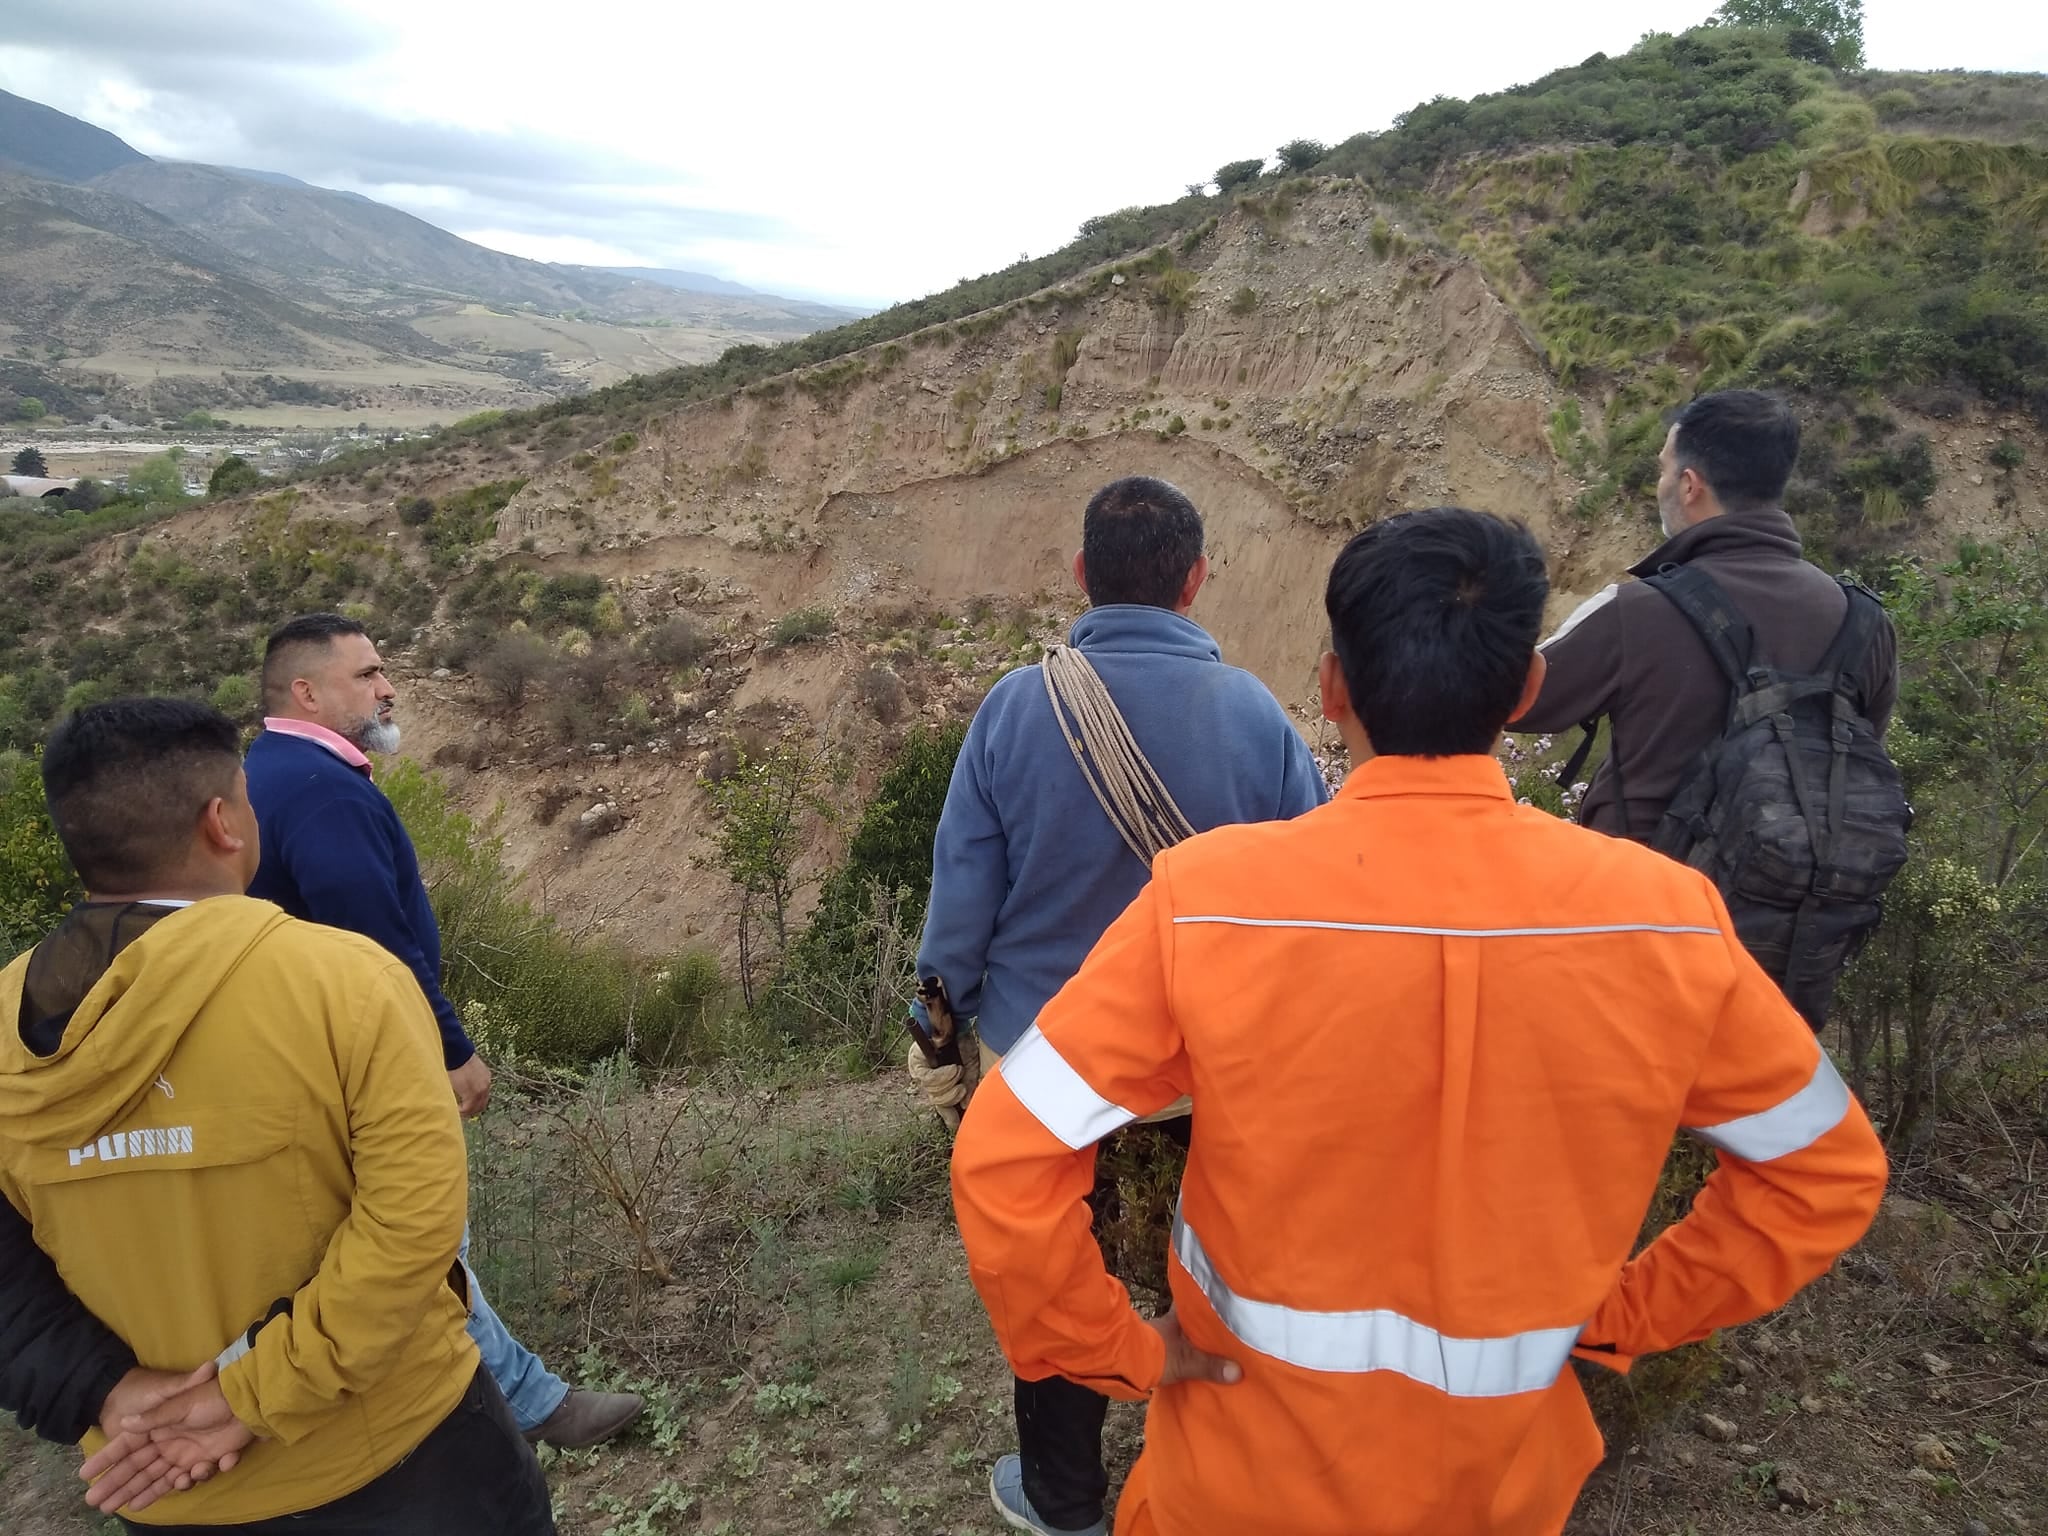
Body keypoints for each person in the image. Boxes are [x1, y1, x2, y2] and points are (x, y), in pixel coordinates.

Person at [950, 507, 1890, 1536]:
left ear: (1331, 687)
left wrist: (1120, 1354)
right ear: (1525, 690)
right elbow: (1820, 1172)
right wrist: (1625, 1315)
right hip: (1500, 1491)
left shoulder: (1205, 902)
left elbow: (1003, 1158)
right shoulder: (1663, 919)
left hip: (1232, 1488)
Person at [0, 698, 554, 1533]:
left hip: (171, 1486)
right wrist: (244, 1398)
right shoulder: (345, 982)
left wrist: (106, 1391)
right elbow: (412, 1232)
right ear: (223, 823)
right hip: (405, 1460)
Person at [911, 476, 1329, 1536]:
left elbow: (962, 896)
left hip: (1045, 1054)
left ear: (1080, 578)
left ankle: (1062, 1496)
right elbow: (1309, 891)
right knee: (1214, 1261)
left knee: (1059, 1269)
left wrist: (936, 1028)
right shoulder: (1253, 712)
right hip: (1204, 1059)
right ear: (1194, 582)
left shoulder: (1015, 705)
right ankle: (1216, 1464)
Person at [244, 613, 641, 1450]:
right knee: (427, 1235)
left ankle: (488, 1401)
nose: (388, 688)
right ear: (306, 691)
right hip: (366, 1058)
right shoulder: (318, 787)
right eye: (369, 674)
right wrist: (452, 1048)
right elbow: (372, 935)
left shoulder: (269, 774)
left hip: (305, 1061)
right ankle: (524, 1408)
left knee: (386, 1241)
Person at [1516, 388, 1899, 840]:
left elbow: (1507, 699)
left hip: (1650, 898)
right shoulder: (1866, 623)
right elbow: (1860, 747)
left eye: (1663, 469)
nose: (1659, 483)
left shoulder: (1638, 611)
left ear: (1689, 485)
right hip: (1802, 902)